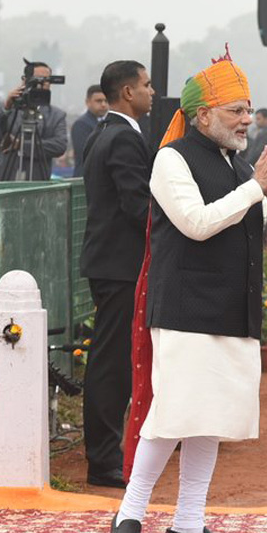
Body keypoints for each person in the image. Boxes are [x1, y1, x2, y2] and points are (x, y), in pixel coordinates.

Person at [109, 51, 267, 533]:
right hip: (187, 307)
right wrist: (255, 187)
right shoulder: (172, 159)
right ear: (202, 114)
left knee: (210, 418)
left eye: (249, 109)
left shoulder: (236, 163)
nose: (246, 120)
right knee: (174, 413)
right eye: (235, 110)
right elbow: (197, 223)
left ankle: (188, 524)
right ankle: (130, 515)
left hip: (234, 307)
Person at [79, 60, 155, 489]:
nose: (151, 90)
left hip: (110, 263)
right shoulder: (123, 138)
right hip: (120, 265)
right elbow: (135, 205)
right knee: (111, 365)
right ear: (128, 92)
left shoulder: (101, 132)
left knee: (111, 361)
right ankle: (104, 460)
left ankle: (107, 454)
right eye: (146, 85)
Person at [0, 61, 68, 181]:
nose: (41, 84)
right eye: (37, 79)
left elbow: (59, 146)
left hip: (36, 179)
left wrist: (20, 145)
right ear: (24, 80)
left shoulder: (56, 115)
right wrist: (7, 106)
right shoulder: (8, 107)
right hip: (4, 177)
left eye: (45, 80)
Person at [70, 84, 108, 178]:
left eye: (106, 101)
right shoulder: (81, 124)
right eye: (98, 101)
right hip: (85, 178)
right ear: (88, 102)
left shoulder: (109, 123)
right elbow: (85, 153)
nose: (103, 104)